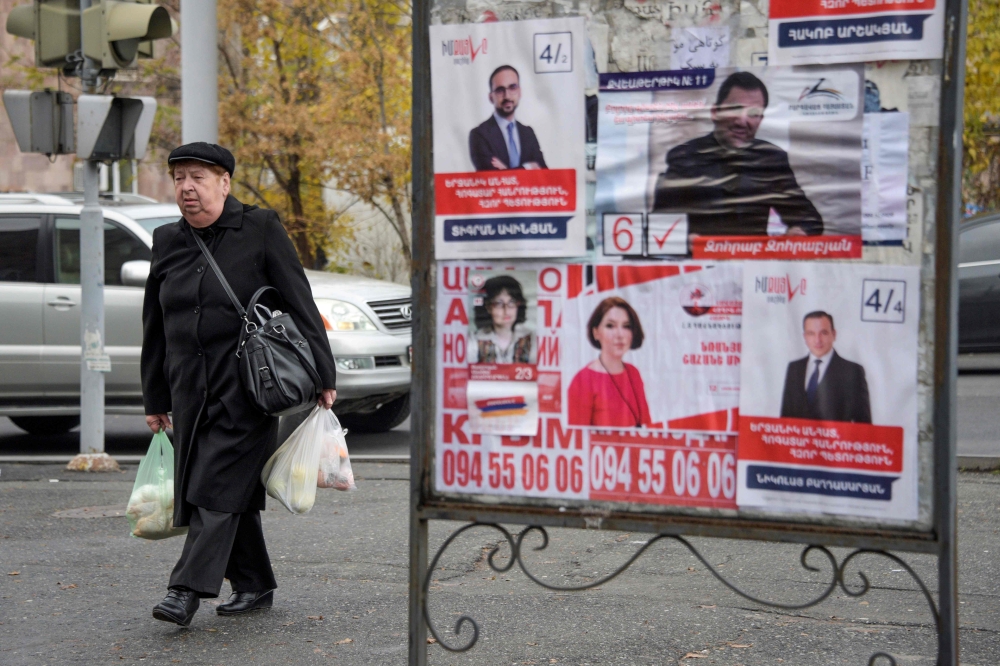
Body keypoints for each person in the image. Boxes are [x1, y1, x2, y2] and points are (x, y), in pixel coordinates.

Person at [141, 142, 338, 627]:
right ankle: (253, 582)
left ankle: (184, 589)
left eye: (198, 178)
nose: (187, 187)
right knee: (223, 489)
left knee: (213, 487)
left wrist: (323, 374)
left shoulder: (260, 228)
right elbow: (155, 323)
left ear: (224, 183)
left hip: (249, 388)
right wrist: (155, 395)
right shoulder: (168, 239)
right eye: (179, 177)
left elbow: (299, 299)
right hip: (190, 389)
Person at [652, 71, 824, 237]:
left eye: (753, 114)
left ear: (760, 120)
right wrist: (683, 240)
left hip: (753, 263)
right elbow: (659, 226)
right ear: (715, 112)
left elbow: (809, 220)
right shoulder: (684, 157)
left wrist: (799, 231)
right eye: (735, 109)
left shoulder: (771, 159)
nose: (742, 121)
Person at [567, 297, 652, 428]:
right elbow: (577, 438)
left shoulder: (633, 373)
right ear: (596, 333)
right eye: (610, 326)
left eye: (626, 326)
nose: (619, 334)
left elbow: (646, 425)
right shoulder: (582, 380)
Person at [780, 311, 871, 423]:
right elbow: (784, 420)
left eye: (823, 333)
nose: (817, 340)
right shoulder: (794, 369)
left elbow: (864, 427)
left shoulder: (852, 372)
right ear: (805, 337)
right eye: (811, 333)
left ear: (834, 334)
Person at [469, 65, 548, 171]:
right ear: (491, 97)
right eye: (500, 90)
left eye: (512, 87)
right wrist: (527, 168)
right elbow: (491, 177)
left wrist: (506, 171)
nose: (507, 96)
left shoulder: (528, 133)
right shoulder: (479, 135)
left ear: (519, 92)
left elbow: (544, 174)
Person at [470, 275, 536, 364]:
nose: (506, 310)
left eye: (512, 302)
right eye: (499, 303)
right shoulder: (474, 340)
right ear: (488, 307)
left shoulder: (532, 339)